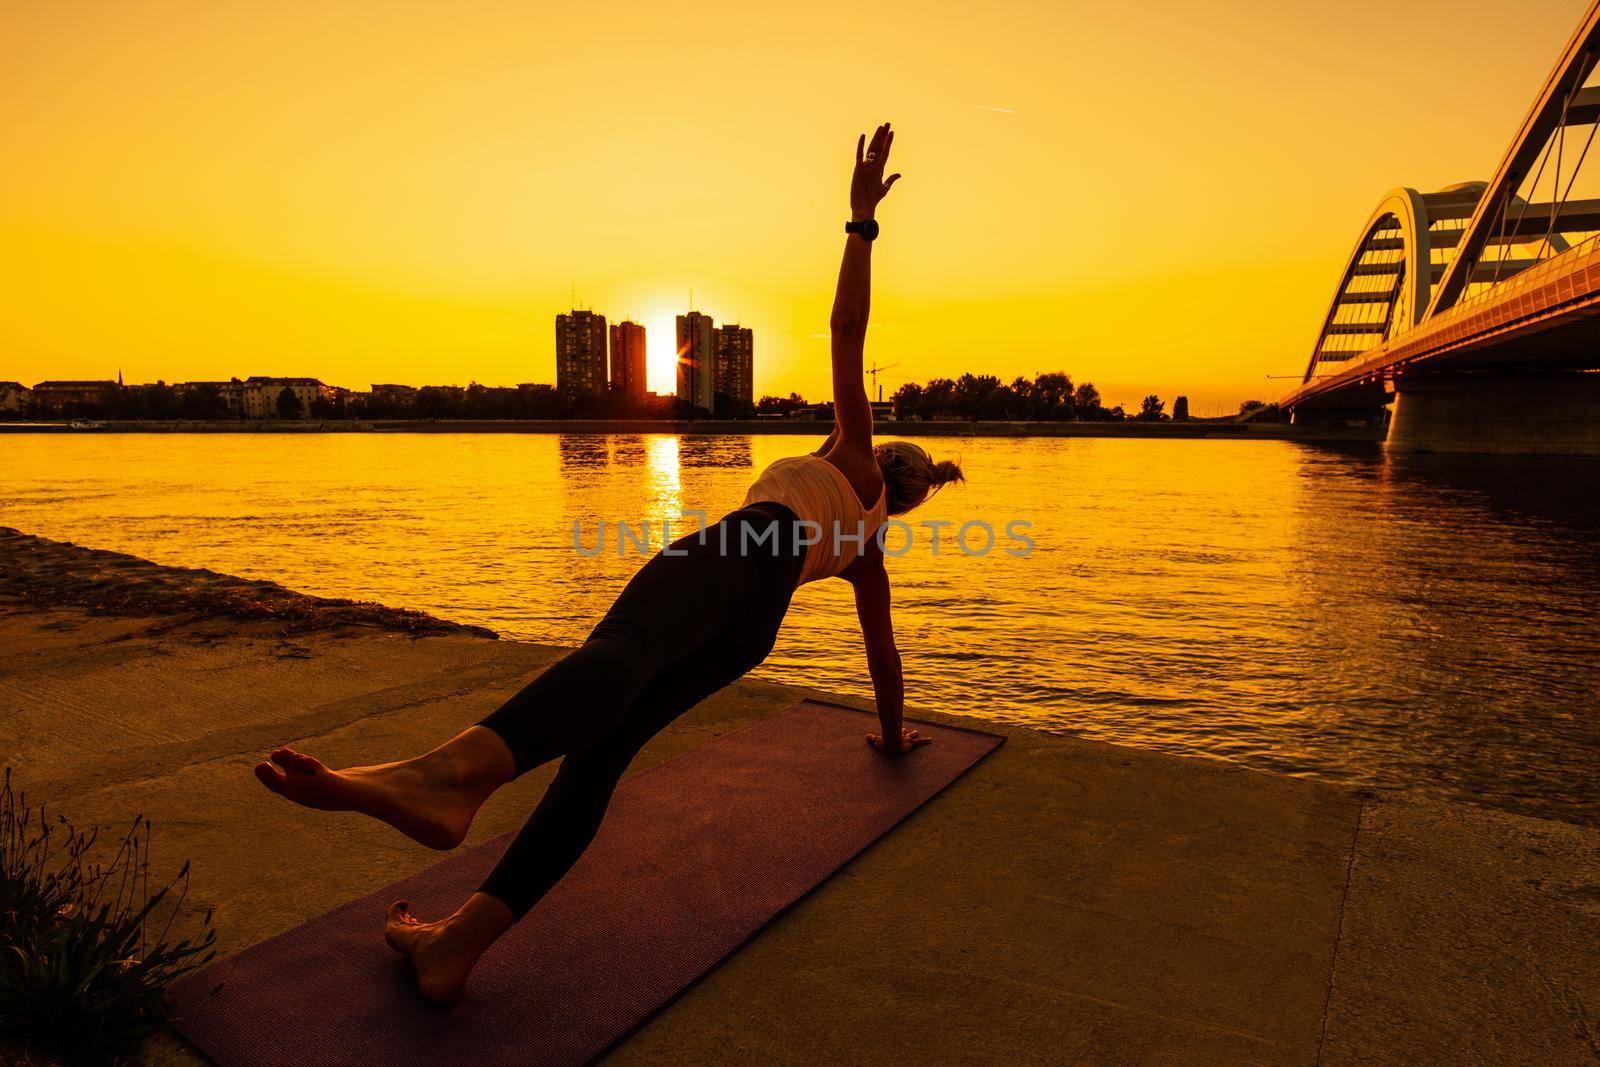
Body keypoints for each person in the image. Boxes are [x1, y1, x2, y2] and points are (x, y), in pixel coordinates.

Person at [254, 122, 964, 1004]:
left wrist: (859, 223)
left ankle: (451, 776)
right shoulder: (871, 552)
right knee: (600, 754)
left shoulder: (852, 451)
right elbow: (885, 659)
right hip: (756, 627)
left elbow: (845, 328)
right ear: (916, 497)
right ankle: (455, 945)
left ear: (878, 453)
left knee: (619, 650)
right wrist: (894, 741)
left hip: (738, 555)